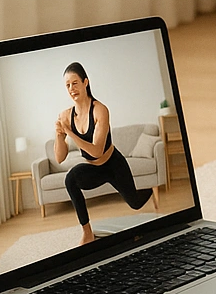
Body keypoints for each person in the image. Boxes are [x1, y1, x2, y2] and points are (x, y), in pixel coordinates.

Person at [54, 61, 154, 246]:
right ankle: (87, 233)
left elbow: (97, 151)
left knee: (135, 203)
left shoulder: (100, 110)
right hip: (93, 170)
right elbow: (60, 158)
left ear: (86, 82)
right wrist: (59, 135)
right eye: (67, 85)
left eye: (75, 83)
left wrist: (69, 132)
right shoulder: (66, 115)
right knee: (70, 179)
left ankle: (151, 191)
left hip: (113, 164)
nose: (71, 88)